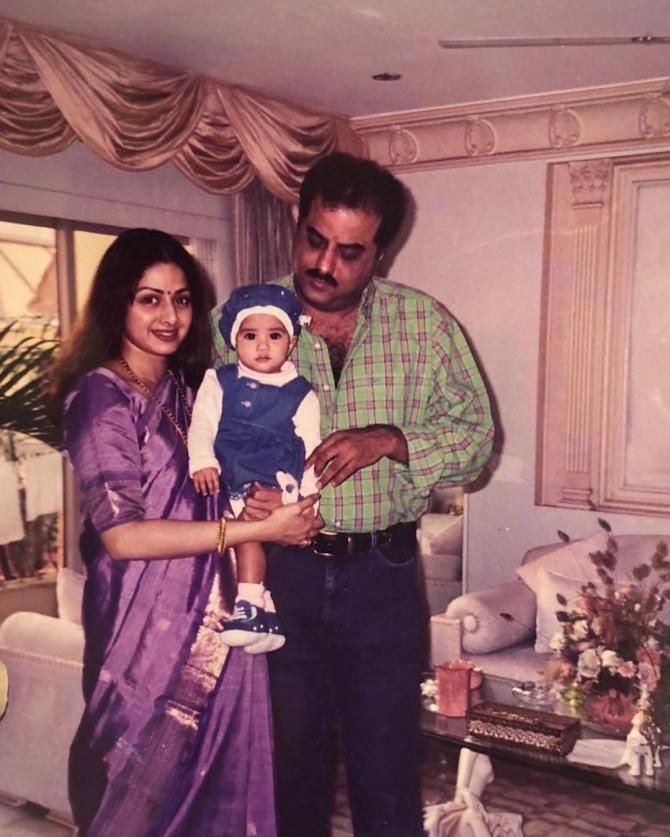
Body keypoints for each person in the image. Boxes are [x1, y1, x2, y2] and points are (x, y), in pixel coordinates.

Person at [212, 152, 495, 837]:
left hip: (381, 576)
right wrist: (240, 493)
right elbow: (206, 435)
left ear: (380, 253)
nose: (323, 264)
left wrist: (390, 440)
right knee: (288, 771)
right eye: (314, 239)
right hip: (281, 574)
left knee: (387, 772)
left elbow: (478, 441)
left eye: (349, 252)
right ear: (297, 221)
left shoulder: (425, 325)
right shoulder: (243, 320)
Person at [47, 228, 322, 837]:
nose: (169, 316)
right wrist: (251, 529)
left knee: (215, 796)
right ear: (118, 303)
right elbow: (123, 537)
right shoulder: (101, 398)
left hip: (219, 620)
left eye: (181, 299)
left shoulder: (190, 390)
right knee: (134, 784)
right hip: (140, 632)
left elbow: (226, 484)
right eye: (149, 299)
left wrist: (274, 508)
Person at [188, 284, 321, 653]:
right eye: (250, 336)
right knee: (239, 537)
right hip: (228, 470)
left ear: (291, 343)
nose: (262, 346)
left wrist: (305, 501)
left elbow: (313, 450)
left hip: (273, 477)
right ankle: (264, 610)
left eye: (274, 336)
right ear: (234, 341)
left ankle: (249, 605)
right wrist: (202, 460)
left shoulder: (301, 392)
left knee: (247, 533)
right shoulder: (219, 380)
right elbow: (202, 424)